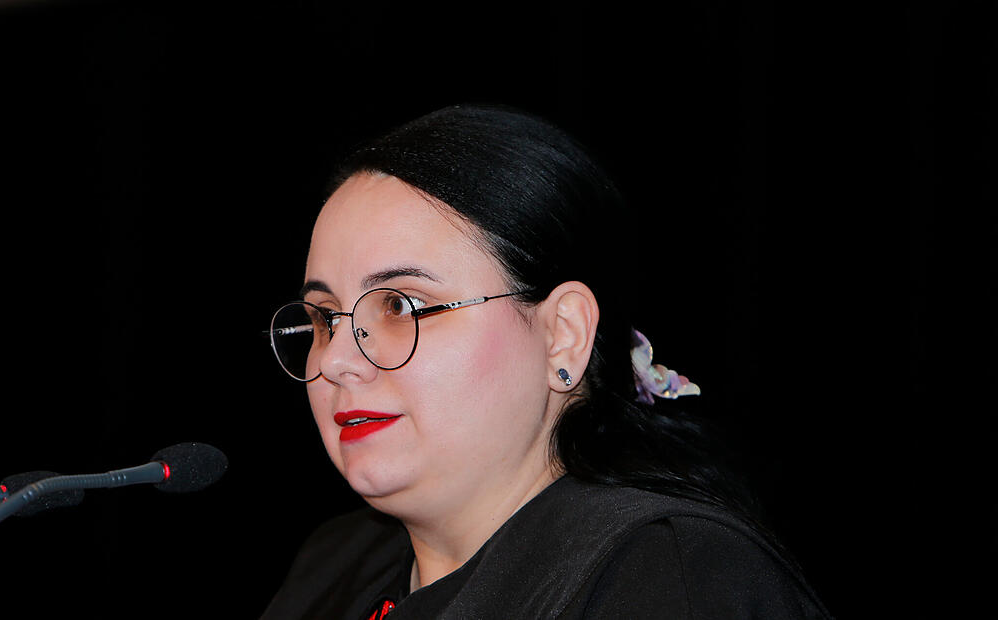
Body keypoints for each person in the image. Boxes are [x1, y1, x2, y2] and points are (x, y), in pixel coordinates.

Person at [260, 104, 831, 619]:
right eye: (325, 318)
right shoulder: (333, 564)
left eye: (401, 306)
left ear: (563, 334)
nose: (337, 360)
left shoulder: (671, 574)